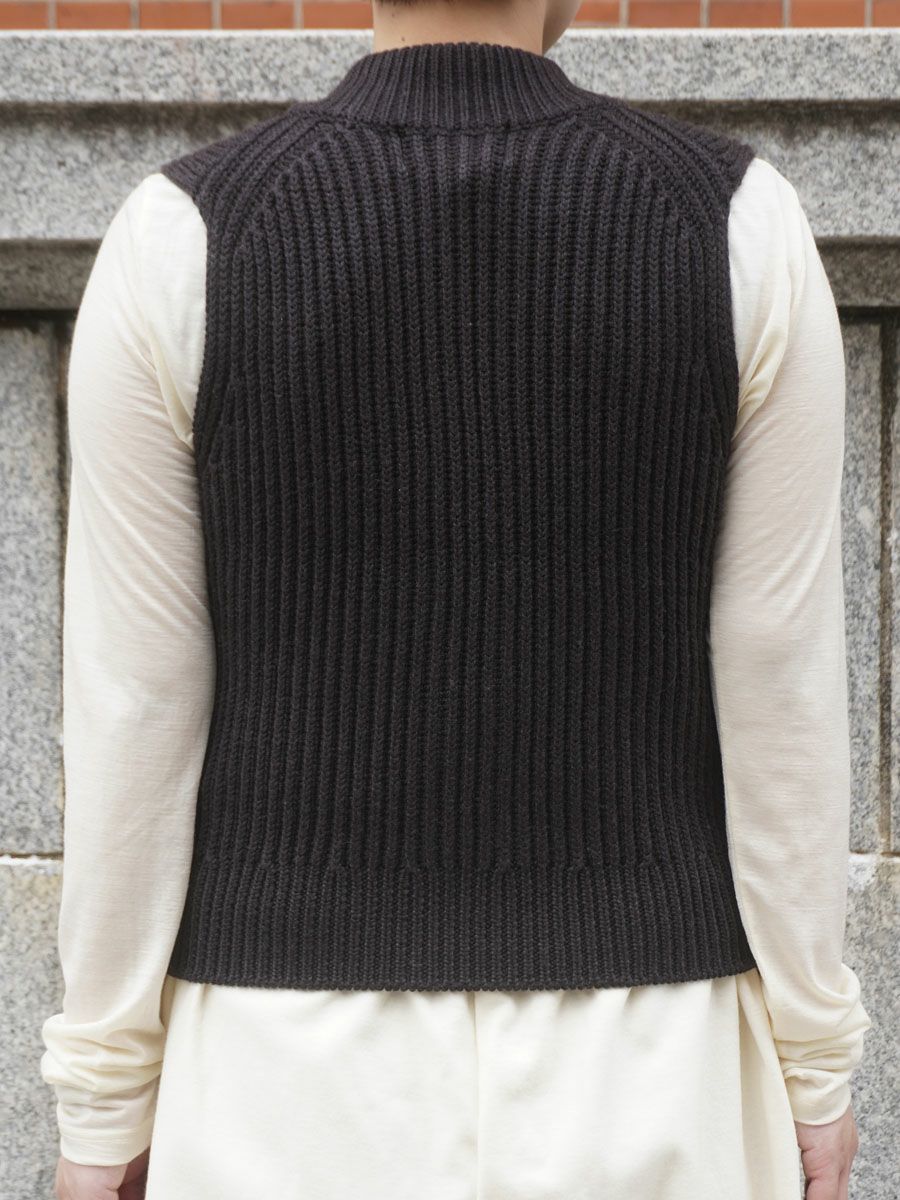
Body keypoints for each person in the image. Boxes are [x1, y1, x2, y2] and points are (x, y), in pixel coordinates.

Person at [40, 2, 872, 1198]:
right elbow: (779, 687)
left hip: (281, 1074)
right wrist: (813, 1058)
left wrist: (105, 1095)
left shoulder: (183, 235)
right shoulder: (738, 224)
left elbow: (136, 710)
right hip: (658, 1055)